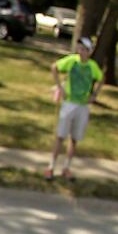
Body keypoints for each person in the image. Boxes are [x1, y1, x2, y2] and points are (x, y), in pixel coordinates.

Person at [45, 36, 103, 181]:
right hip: (69, 102)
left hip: (83, 105)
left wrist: (94, 95)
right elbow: (54, 67)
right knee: (60, 136)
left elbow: (101, 78)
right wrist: (60, 88)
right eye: (80, 49)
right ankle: (51, 166)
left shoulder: (92, 66)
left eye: (84, 50)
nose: (81, 52)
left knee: (75, 138)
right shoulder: (72, 61)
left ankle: (67, 167)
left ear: (89, 52)